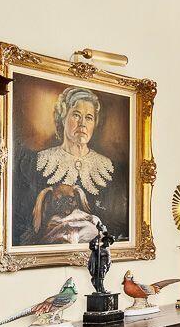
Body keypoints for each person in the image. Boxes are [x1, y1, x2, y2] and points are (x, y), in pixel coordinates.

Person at [14, 86, 127, 245]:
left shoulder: (111, 168)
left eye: (89, 117)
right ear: (62, 118)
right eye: (76, 115)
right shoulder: (36, 162)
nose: (82, 123)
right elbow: (22, 223)